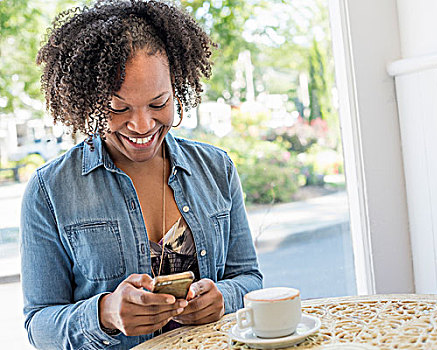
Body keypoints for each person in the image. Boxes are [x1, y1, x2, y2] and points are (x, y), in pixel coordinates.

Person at [20, 1, 263, 349]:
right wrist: (106, 314)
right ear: (89, 101)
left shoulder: (216, 169)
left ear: (176, 87)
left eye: (158, 103)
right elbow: (39, 325)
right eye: (119, 108)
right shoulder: (50, 190)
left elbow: (250, 279)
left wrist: (224, 297)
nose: (142, 125)